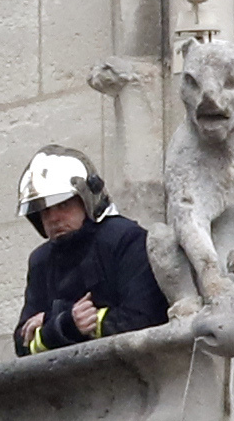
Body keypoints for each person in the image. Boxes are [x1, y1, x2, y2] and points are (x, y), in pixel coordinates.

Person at [14, 149, 167, 354]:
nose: (54, 218)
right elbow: (23, 342)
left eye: (63, 204)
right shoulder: (40, 261)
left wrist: (65, 322)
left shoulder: (125, 240)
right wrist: (65, 323)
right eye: (44, 210)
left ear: (87, 199)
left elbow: (144, 317)